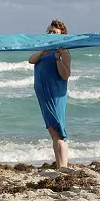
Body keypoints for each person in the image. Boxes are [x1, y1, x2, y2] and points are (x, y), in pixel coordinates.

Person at [28, 19, 72, 169]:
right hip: (44, 95)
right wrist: (42, 51)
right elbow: (31, 60)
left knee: (58, 130)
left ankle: (63, 167)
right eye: (50, 31)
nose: (52, 34)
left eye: (56, 32)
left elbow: (65, 75)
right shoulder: (43, 49)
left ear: (62, 36)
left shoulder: (63, 52)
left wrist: (58, 59)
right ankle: (61, 166)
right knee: (53, 131)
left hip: (55, 94)